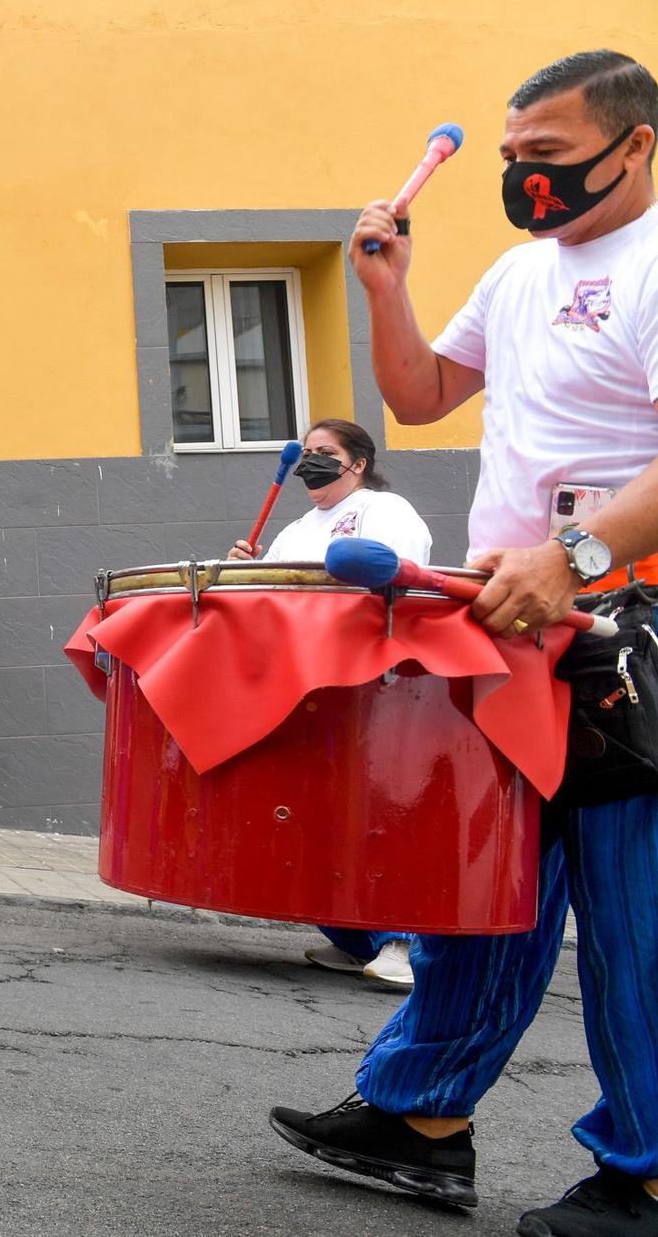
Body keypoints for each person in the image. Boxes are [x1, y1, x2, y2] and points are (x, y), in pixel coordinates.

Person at [268, 51, 658, 1235]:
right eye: (509, 159)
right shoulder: (519, 269)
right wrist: (383, 287)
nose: (522, 179)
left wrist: (576, 557)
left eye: (546, 157)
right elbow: (423, 395)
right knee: (483, 880)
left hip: (622, 623)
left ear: (632, 145)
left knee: (631, 901)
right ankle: (420, 1114)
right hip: (510, 617)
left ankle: (645, 1172)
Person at [228, 417, 432, 989]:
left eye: (325, 451)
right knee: (313, 810)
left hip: (366, 680)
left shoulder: (384, 510)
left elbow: (391, 582)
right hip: (304, 680)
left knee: (377, 810)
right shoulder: (296, 528)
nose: (311, 461)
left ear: (358, 462)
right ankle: (356, 933)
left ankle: (405, 939)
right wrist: (249, 576)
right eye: (306, 452)